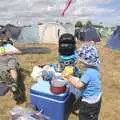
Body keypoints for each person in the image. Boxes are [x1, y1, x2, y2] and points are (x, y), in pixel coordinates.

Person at [62, 43, 102, 120]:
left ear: (85, 61)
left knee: (84, 117)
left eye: (81, 61)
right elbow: (85, 81)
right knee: (93, 116)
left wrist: (69, 77)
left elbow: (79, 85)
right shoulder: (96, 69)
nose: (80, 62)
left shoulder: (88, 73)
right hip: (97, 98)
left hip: (89, 102)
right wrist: (74, 77)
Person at [0, 38, 25, 104]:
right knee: (4, 70)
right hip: (2, 62)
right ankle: (13, 86)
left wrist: (6, 52)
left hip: (10, 59)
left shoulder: (7, 45)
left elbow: (19, 52)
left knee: (12, 68)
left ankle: (14, 85)